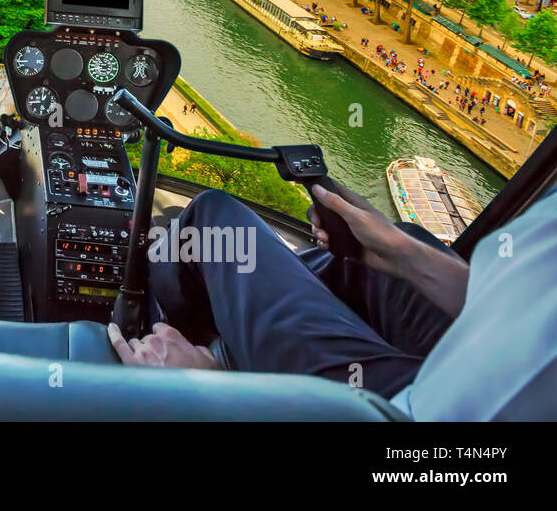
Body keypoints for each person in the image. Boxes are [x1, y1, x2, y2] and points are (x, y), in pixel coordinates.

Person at [106, 179, 557, 419]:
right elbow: (522, 304)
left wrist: (210, 396)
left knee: (217, 221)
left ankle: (200, 335)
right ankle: (251, 330)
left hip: (408, 412)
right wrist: (404, 256)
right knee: (391, 245)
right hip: (480, 348)